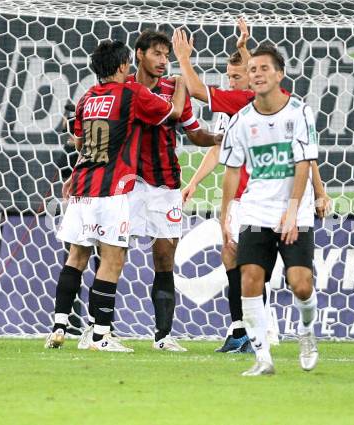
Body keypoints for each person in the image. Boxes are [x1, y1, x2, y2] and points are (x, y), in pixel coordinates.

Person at [173, 24, 329, 353]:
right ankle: (245, 331)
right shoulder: (243, 111)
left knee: (284, 278)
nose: (231, 82)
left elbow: (305, 157)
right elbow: (218, 150)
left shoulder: (258, 104)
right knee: (239, 264)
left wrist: (184, 60)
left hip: (274, 201)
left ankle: (261, 329)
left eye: (235, 75)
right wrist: (195, 182)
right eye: (231, 76)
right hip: (249, 200)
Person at [45, 39, 186, 352]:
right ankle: (100, 335)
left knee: (76, 257)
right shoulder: (132, 93)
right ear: (125, 65)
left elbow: (79, 143)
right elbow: (174, 111)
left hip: (81, 186)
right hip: (113, 189)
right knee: (112, 260)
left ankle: (59, 325)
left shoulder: (86, 98)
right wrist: (182, 83)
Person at [220, 43, 319, 376]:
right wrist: (224, 217)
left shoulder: (299, 112)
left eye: (264, 68)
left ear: (280, 74)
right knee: (250, 278)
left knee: (301, 284)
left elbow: (305, 162)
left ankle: (306, 332)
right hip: (256, 210)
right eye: (253, 70)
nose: (257, 74)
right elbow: (232, 170)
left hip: (296, 210)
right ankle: (263, 358)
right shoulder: (241, 121)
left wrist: (293, 210)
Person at [126, 30, 221, 352]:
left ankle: (163, 336)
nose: (163, 61)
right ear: (139, 54)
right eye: (157, 54)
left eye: (167, 55)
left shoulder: (173, 87)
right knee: (111, 252)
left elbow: (195, 134)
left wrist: (222, 138)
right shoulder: (124, 87)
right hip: (127, 183)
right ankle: (101, 330)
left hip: (166, 183)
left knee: (165, 257)